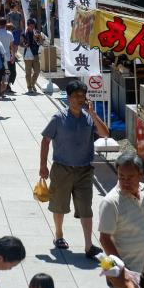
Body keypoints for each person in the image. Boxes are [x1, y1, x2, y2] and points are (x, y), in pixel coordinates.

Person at [39, 80, 109, 259]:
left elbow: (105, 133)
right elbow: (46, 140)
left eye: (82, 95)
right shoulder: (58, 118)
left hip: (84, 170)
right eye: (76, 96)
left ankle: (88, 245)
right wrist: (43, 165)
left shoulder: (88, 117)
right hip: (62, 169)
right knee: (59, 205)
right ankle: (59, 234)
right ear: (68, 98)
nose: (80, 99)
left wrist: (93, 114)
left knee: (86, 207)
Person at [98, 152, 144, 288]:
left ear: (140, 174)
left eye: (130, 177)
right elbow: (104, 238)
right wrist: (122, 270)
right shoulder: (110, 202)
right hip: (126, 273)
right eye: (121, 177)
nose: (125, 181)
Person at [21, 19, 45, 94]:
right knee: (28, 73)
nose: (32, 27)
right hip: (27, 55)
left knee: (37, 71)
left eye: (33, 25)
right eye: (31, 25)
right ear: (28, 25)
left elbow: (41, 42)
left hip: (35, 54)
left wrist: (39, 36)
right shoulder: (24, 33)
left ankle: (32, 84)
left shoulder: (37, 32)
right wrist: (24, 45)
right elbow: (20, 43)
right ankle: (29, 87)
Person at [0, 18, 16, 97]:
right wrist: (13, 56)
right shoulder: (9, 33)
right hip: (6, 58)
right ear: (5, 24)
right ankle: (3, 91)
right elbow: (12, 46)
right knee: (5, 76)